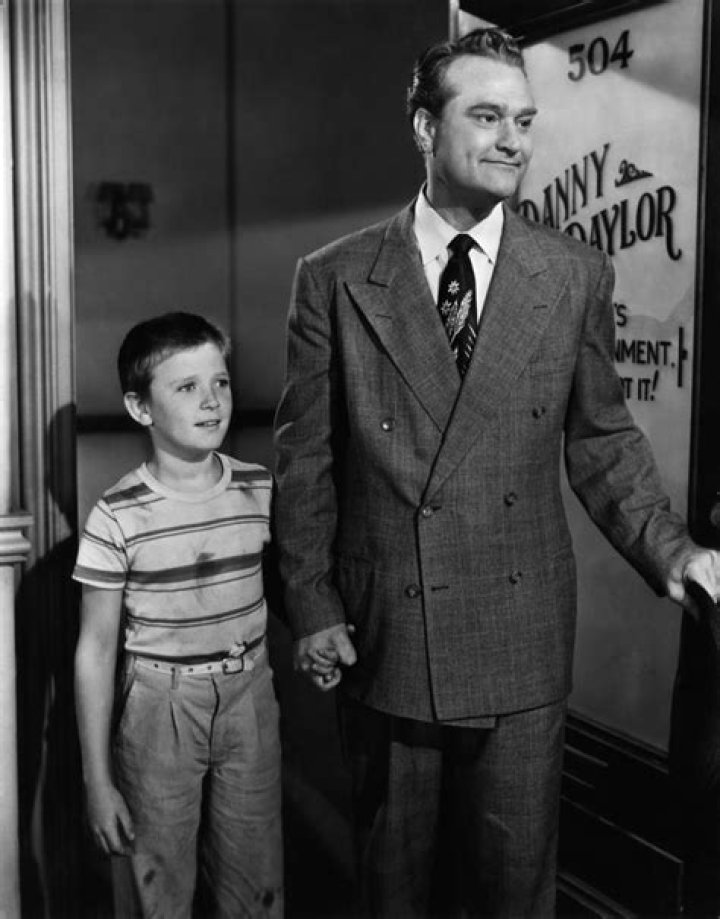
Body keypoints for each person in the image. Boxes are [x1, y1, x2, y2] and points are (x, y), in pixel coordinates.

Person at [273, 26, 720, 918]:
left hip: (520, 635)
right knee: (394, 889)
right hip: (389, 631)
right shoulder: (336, 277)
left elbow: (602, 439)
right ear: (424, 127)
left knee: (515, 892)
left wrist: (674, 552)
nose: (513, 139)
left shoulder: (573, 272)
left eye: (524, 120)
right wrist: (313, 603)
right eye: (486, 116)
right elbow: (306, 459)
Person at [73, 312, 282, 918]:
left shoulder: (259, 489)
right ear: (140, 408)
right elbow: (96, 649)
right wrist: (97, 781)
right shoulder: (117, 515)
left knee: (257, 888)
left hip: (249, 696)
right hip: (159, 709)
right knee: (158, 890)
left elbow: (293, 591)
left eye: (220, 382)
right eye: (187, 387)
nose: (211, 401)